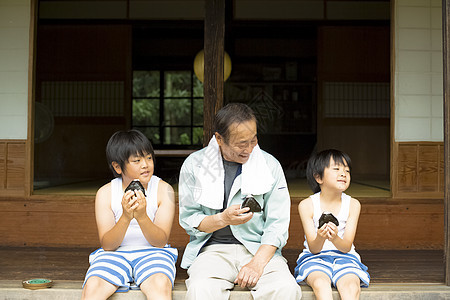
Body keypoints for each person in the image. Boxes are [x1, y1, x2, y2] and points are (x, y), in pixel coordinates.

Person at [178, 103, 302, 300]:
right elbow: (189, 219)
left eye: (253, 140)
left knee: (285, 288)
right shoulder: (194, 165)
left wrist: (257, 264)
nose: (250, 149)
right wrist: (223, 219)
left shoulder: (270, 165)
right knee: (201, 289)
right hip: (212, 250)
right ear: (219, 139)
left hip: (258, 249)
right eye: (241, 143)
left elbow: (277, 225)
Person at [81, 130, 177, 300]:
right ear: (117, 167)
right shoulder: (106, 193)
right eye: (137, 160)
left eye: (148, 158)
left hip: (153, 252)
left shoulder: (164, 190)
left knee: (160, 284)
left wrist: (141, 217)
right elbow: (108, 245)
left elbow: (160, 242)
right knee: (93, 286)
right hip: (114, 253)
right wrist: (126, 217)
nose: (145, 165)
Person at [294, 149, 370, 300]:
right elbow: (314, 248)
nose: (343, 173)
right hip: (314, 258)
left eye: (347, 170)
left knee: (350, 286)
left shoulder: (353, 204)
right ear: (318, 177)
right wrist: (321, 237)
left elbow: (346, 246)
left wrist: (334, 237)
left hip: (346, 257)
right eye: (336, 169)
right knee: (321, 283)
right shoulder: (307, 205)